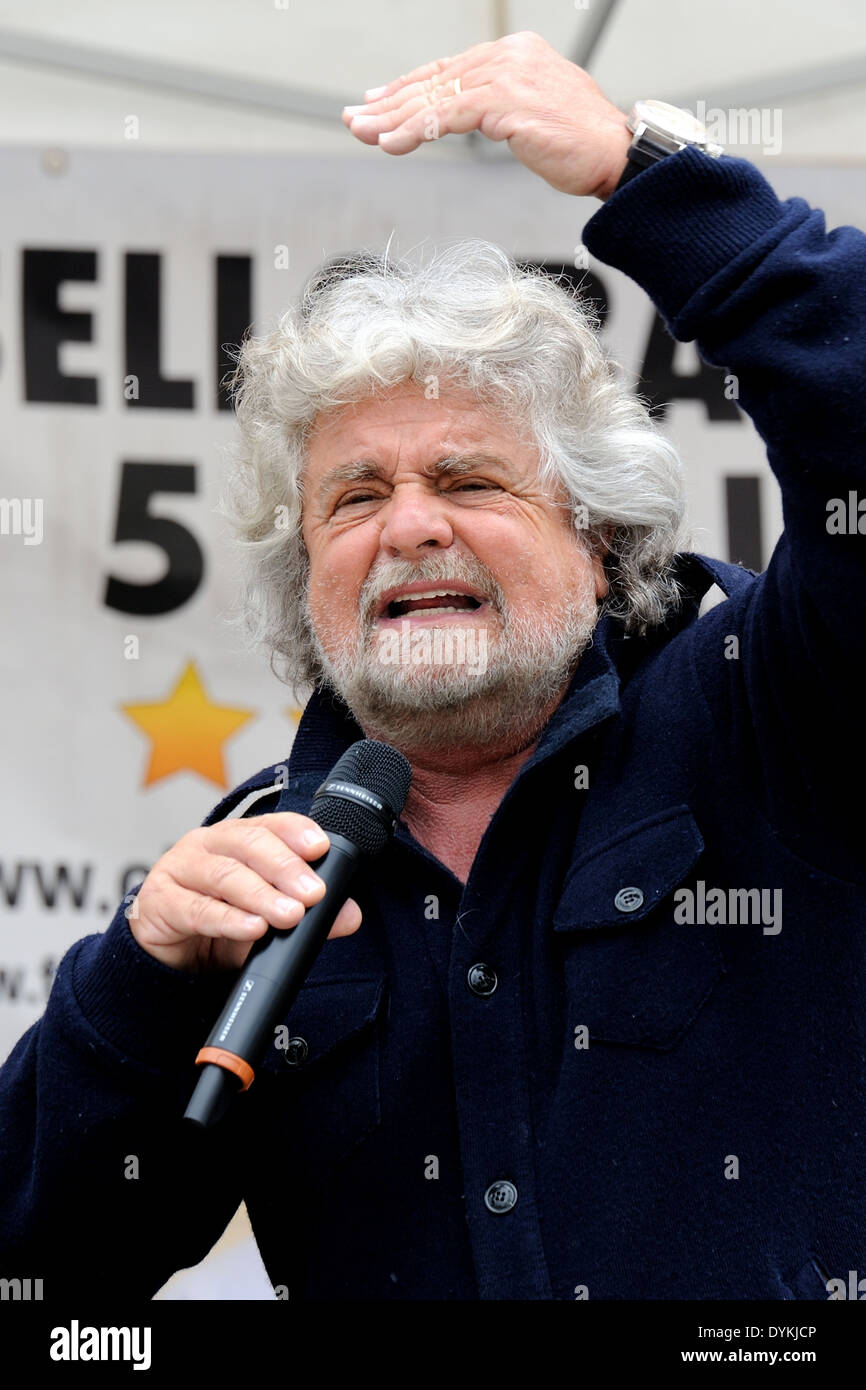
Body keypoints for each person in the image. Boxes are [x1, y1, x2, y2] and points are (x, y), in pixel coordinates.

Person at [1, 31, 864, 1301]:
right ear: (310, 574)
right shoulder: (262, 872)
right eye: (353, 498)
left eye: (467, 478)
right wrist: (131, 988)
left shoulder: (762, 703)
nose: (409, 523)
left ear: (597, 534)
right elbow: (43, 1293)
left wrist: (648, 176)